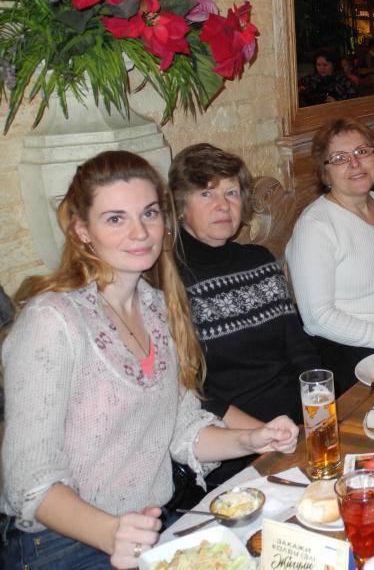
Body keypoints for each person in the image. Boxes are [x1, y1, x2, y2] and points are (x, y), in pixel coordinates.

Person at [1, 150, 297, 570]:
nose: (139, 232)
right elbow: (28, 481)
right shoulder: (53, 321)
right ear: (83, 230)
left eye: (149, 213)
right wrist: (111, 533)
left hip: (151, 527)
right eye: (115, 219)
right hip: (62, 545)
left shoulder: (158, 308)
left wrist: (251, 440)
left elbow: (182, 426)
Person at [169, 144, 321, 485]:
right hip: (234, 444)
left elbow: (300, 348)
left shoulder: (259, 260)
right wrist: (266, 436)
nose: (223, 205)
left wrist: (318, 410)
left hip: (297, 422)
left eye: (232, 193)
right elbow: (196, 392)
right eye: (206, 193)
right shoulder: (171, 280)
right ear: (180, 206)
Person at [285, 119, 374, 396]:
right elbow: (317, 319)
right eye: (340, 158)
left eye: (362, 151)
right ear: (325, 173)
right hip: (345, 353)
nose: (355, 163)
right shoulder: (316, 226)